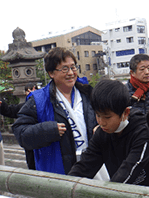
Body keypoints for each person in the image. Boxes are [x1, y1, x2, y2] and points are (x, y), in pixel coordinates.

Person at [34, 79, 149, 198]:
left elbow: (124, 177)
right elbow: (84, 167)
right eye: (97, 115)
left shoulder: (143, 133)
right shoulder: (102, 133)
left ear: (125, 113)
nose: (101, 122)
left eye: (106, 117)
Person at [12, 47, 97, 175]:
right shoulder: (38, 101)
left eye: (73, 67)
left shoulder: (88, 93)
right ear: (51, 73)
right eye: (64, 68)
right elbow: (20, 132)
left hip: (92, 167)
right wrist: (48, 130)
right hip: (60, 172)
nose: (70, 73)